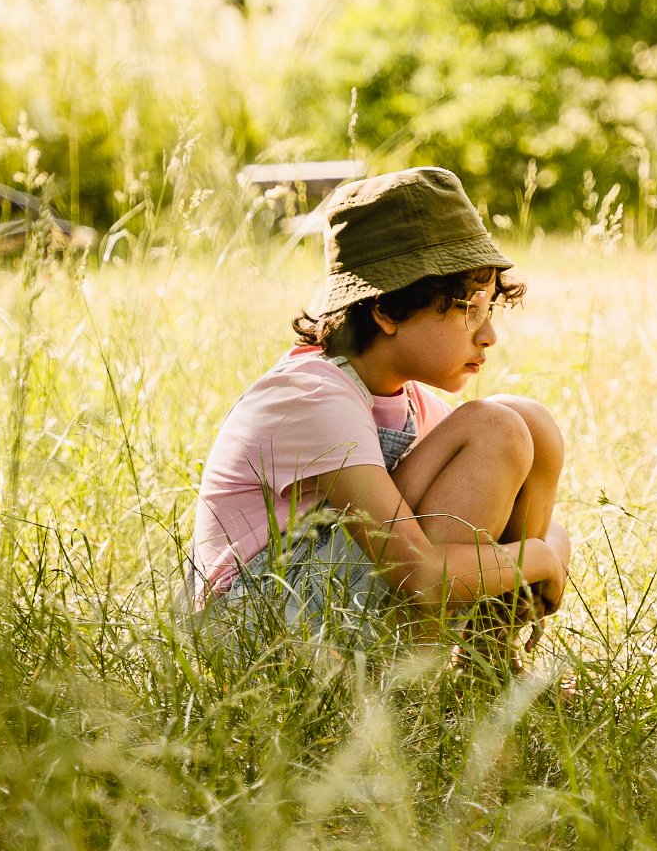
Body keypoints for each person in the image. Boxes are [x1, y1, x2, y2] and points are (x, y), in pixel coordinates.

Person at [189, 166, 571, 663]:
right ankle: (409, 684)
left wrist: (542, 548)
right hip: (261, 629)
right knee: (496, 426)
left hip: (334, 602)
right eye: (466, 310)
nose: (488, 336)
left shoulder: (408, 401)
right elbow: (421, 573)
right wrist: (536, 558)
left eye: (490, 309)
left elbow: (503, 523)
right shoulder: (312, 396)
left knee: (527, 419)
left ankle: (488, 671)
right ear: (387, 310)